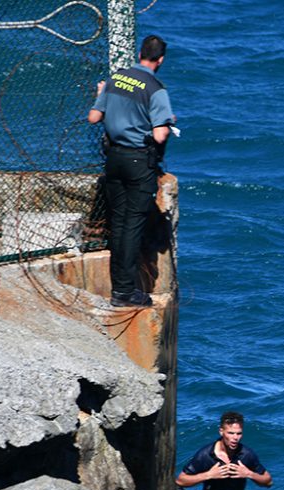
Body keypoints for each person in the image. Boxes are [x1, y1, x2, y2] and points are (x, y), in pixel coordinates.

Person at [88, 34, 175, 308]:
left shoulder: (116, 78)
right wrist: (166, 121)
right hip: (139, 162)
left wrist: (101, 96)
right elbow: (160, 136)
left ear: (140, 54)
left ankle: (120, 287)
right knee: (132, 225)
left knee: (117, 222)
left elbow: (94, 117)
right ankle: (124, 292)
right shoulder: (156, 88)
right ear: (160, 60)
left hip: (113, 159)